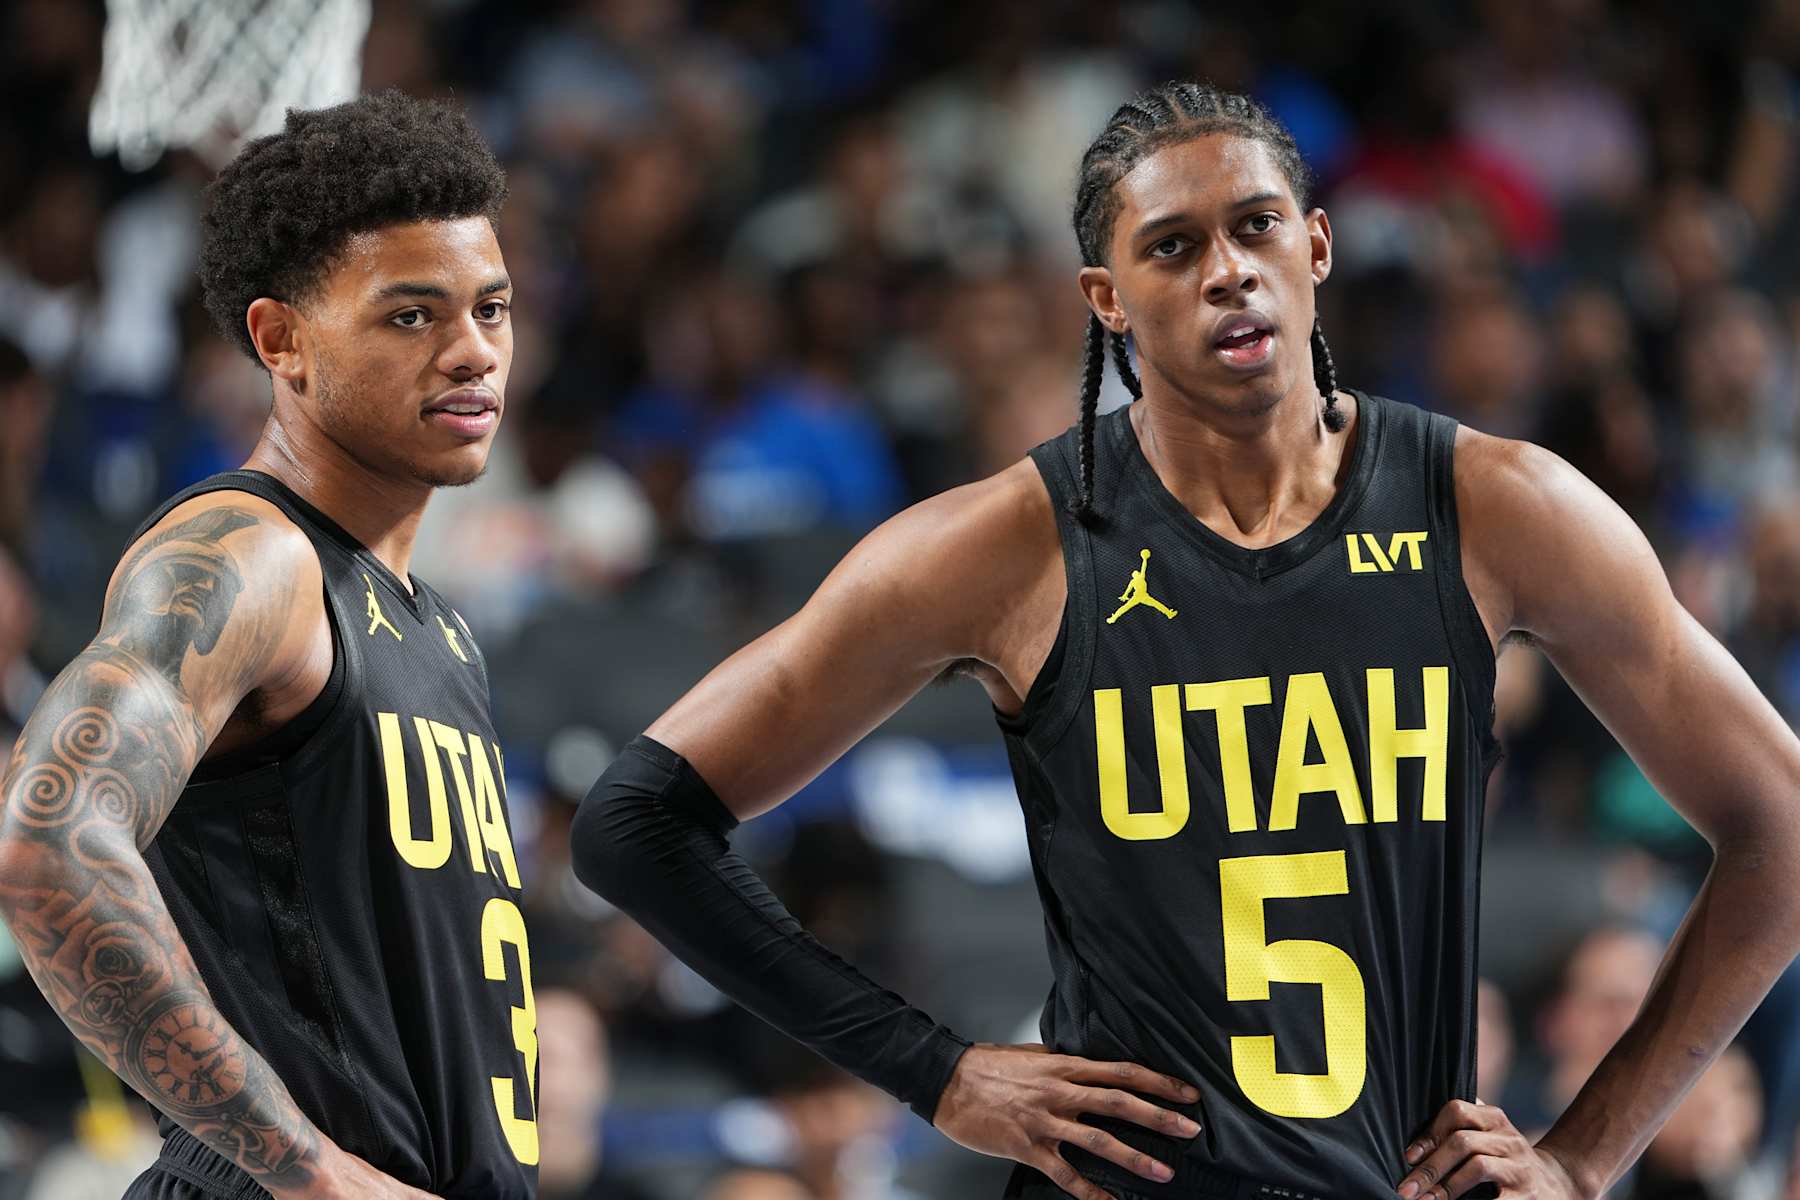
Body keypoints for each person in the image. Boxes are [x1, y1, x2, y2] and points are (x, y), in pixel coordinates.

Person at [572, 82, 1800, 1200]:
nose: (1229, 270)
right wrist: (939, 1074)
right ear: (1106, 300)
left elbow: (1783, 827)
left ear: (1316, 247)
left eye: (1257, 226)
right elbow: (636, 822)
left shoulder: (1497, 506)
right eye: (1173, 246)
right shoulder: (1008, 547)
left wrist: (1584, 1158)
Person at [0, 91, 535, 1199]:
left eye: (492, 308)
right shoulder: (250, 555)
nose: (471, 351)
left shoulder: (439, 625)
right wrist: (307, 1171)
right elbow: (42, 837)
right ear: (279, 339)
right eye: (410, 315)